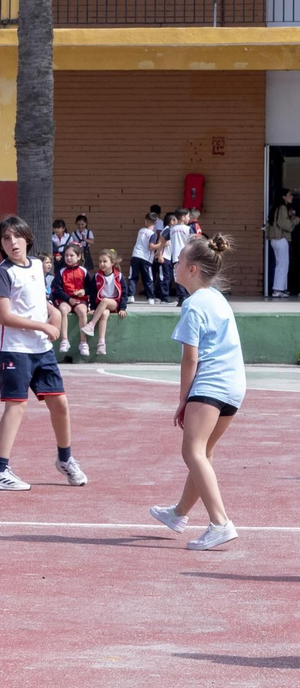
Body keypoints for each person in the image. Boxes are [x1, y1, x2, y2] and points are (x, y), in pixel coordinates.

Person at [149, 234, 245, 551]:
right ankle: (178, 514)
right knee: (203, 452)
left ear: (192, 269)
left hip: (212, 384)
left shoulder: (193, 305)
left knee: (192, 452)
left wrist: (183, 400)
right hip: (234, 386)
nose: (174, 265)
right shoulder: (217, 297)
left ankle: (220, 523)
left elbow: (190, 359)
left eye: (179, 261)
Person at [0, 216, 88, 492]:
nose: (13, 242)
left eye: (17, 236)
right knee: (16, 406)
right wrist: (43, 325)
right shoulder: (3, 273)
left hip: (41, 350)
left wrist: (52, 312)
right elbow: (4, 316)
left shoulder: (37, 265)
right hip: (14, 350)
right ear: (1, 245)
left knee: (60, 403)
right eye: (6, 239)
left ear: (27, 239)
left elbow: (37, 298)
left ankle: (65, 459)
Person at [79, 249, 128, 356]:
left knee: (105, 301)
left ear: (112, 263)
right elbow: (93, 292)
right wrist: (92, 307)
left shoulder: (118, 276)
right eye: (100, 261)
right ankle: (101, 343)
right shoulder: (97, 276)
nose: (102, 264)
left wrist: (122, 308)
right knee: (104, 314)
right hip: (101, 305)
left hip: (114, 303)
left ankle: (91, 325)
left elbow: (124, 293)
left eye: (105, 261)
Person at [49, 243, 93, 356]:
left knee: (82, 311)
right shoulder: (61, 271)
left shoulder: (83, 271)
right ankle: (64, 340)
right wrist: (68, 299)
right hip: (65, 300)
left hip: (80, 300)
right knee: (63, 309)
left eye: (71, 255)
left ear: (79, 257)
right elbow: (57, 289)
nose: (68, 258)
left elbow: (91, 287)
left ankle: (83, 342)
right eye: (66, 255)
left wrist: (84, 291)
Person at [268, 189, 295, 298]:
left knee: (280, 265)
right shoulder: (282, 208)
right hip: (281, 239)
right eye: (289, 195)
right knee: (282, 265)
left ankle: (281, 289)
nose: (291, 196)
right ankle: (277, 290)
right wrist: (295, 220)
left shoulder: (276, 208)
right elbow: (286, 225)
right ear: (284, 197)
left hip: (275, 240)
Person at [131, 211, 159, 304]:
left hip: (135, 255)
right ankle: (150, 298)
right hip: (145, 258)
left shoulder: (141, 230)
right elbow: (151, 247)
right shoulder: (153, 234)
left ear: (146, 221)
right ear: (156, 222)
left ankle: (130, 295)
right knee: (148, 278)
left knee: (133, 276)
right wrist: (162, 244)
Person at [165, 209, 191, 306]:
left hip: (176, 257)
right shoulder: (188, 229)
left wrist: (159, 252)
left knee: (178, 277)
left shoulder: (171, 229)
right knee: (188, 276)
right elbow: (193, 241)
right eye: (188, 216)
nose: (189, 218)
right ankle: (187, 296)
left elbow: (163, 239)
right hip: (187, 256)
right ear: (183, 217)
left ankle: (182, 297)